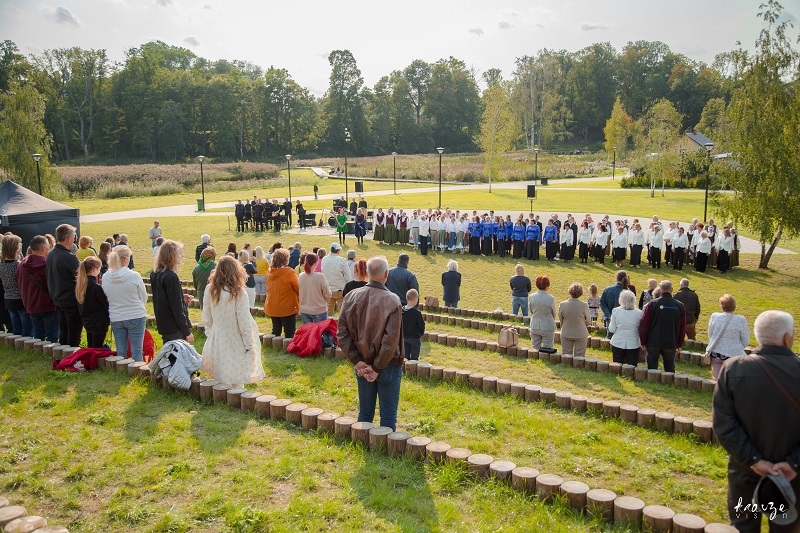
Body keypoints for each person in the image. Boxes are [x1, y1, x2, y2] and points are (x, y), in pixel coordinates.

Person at [713, 310, 800, 533]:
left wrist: (753, 460)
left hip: (745, 471)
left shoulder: (733, 369)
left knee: (744, 525)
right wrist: (793, 463)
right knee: (786, 527)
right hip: (792, 476)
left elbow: (723, 424)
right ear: (787, 337)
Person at [337, 255, 404, 431]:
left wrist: (358, 361)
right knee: (388, 415)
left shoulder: (351, 296)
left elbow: (342, 334)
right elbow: (390, 342)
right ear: (386, 274)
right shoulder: (392, 300)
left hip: (363, 362)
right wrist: (375, 367)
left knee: (365, 413)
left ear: (367, 273)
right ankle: (383, 446)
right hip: (387, 364)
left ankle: (363, 443)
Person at [201, 255, 266, 387]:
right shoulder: (238, 293)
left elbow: (206, 315)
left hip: (217, 335)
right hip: (234, 337)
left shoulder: (210, 289)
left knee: (221, 372)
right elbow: (244, 321)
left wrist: (210, 333)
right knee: (236, 376)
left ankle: (224, 395)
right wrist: (248, 344)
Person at [103, 245, 148, 361]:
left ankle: (121, 370)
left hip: (116, 315)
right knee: (137, 350)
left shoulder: (106, 277)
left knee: (121, 351)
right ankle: (138, 369)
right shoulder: (134, 276)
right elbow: (143, 296)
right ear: (124, 259)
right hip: (135, 314)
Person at [151, 240, 194, 344]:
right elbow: (177, 308)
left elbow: (165, 298)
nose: (182, 256)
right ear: (172, 255)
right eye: (179, 253)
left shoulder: (155, 273)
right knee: (178, 353)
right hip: (174, 327)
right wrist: (187, 331)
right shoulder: (171, 276)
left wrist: (181, 297)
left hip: (164, 324)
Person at [46, 224, 82, 347]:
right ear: (69, 239)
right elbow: (80, 279)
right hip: (70, 300)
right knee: (73, 334)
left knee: (64, 332)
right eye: (74, 237)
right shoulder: (69, 257)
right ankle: (71, 356)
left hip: (57, 298)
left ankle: (62, 354)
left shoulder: (51, 253)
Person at [638, 280, 686, 373]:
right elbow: (682, 327)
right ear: (671, 290)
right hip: (671, 341)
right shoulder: (680, 306)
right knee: (670, 367)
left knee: (652, 368)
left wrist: (643, 341)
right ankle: (670, 380)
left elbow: (644, 324)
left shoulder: (652, 304)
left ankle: (652, 380)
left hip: (653, 341)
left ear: (660, 290)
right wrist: (679, 344)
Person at [18, 235, 59, 342]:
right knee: (52, 336)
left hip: (30, 304)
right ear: (43, 248)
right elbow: (52, 285)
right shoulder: (46, 265)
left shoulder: (22, 265)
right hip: (47, 304)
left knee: (38, 334)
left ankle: (36, 352)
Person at [707, 294, 750, 380]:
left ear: (721, 306)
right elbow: (745, 340)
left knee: (717, 380)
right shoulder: (741, 320)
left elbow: (710, 335)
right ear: (734, 306)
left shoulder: (714, 316)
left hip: (716, 353)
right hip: (734, 355)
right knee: (732, 380)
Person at [0, 234, 31, 337]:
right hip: (20, 300)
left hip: (8, 300)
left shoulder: (2, 265)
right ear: (16, 248)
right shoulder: (19, 266)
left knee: (16, 329)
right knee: (27, 330)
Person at [264, 248, 299, 338]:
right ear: (286, 259)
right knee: (289, 332)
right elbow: (298, 288)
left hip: (272, 305)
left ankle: (274, 345)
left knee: (276, 331)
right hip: (286, 306)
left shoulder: (269, 272)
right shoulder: (289, 272)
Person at [76, 256, 109, 348]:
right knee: (96, 348)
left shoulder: (81, 285)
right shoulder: (96, 287)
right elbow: (105, 304)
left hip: (87, 321)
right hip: (99, 321)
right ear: (94, 269)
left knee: (91, 346)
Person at [608, 290, 643, 366]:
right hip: (633, 342)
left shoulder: (616, 311)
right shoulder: (639, 313)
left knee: (617, 366)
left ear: (621, 300)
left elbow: (612, 329)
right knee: (632, 367)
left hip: (618, 341)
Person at [558, 282, 591, 357]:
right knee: (580, 356)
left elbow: (561, 319)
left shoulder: (562, 304)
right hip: (581, 332)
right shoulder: (584, 305)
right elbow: (589, 321)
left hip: (566, 331)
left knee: (566, 355)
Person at [298, 253, 331, 324]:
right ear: (316, 263)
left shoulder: (301, 276)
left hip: (305, 310)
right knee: (320, 331)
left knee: (308, 330)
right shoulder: (320, 277)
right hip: (319, 310)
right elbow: (327, 294)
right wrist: (327, 302)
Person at [321, 242, 351, 316]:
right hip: (340, 289)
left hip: (328, 289)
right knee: (342, 312)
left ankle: (328, 323)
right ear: (338, 251)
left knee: (329, 313)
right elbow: (348, 276)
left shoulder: (324, 259)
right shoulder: (341, 260)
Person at [528, 275, 556, 350]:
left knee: (535, 348)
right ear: (547, 285)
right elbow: (554, 314)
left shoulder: (531, 296)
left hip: (535, 325)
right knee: (548, 349)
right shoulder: (551, 298)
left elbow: (531, 311)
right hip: (547, 325)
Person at [402, 288, 425, 361]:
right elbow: (421, 325)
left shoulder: (401, 310)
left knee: (405, 357)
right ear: (415, 299)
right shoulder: (417, 313)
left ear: (406, 298)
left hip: (404, 337)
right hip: (415, 338)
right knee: (414, 357)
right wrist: (421, 333)